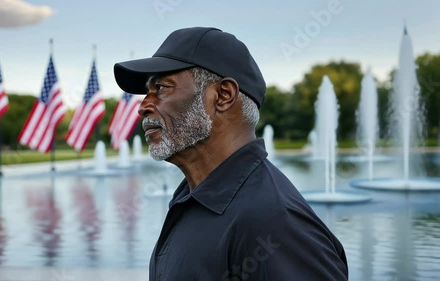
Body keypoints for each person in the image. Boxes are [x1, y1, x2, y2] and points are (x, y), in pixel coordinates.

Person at [114, 27, 348, 281]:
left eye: (160, 88)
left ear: (223, 96)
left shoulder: (275, 224)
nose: (143, 107)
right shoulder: (194, 197)